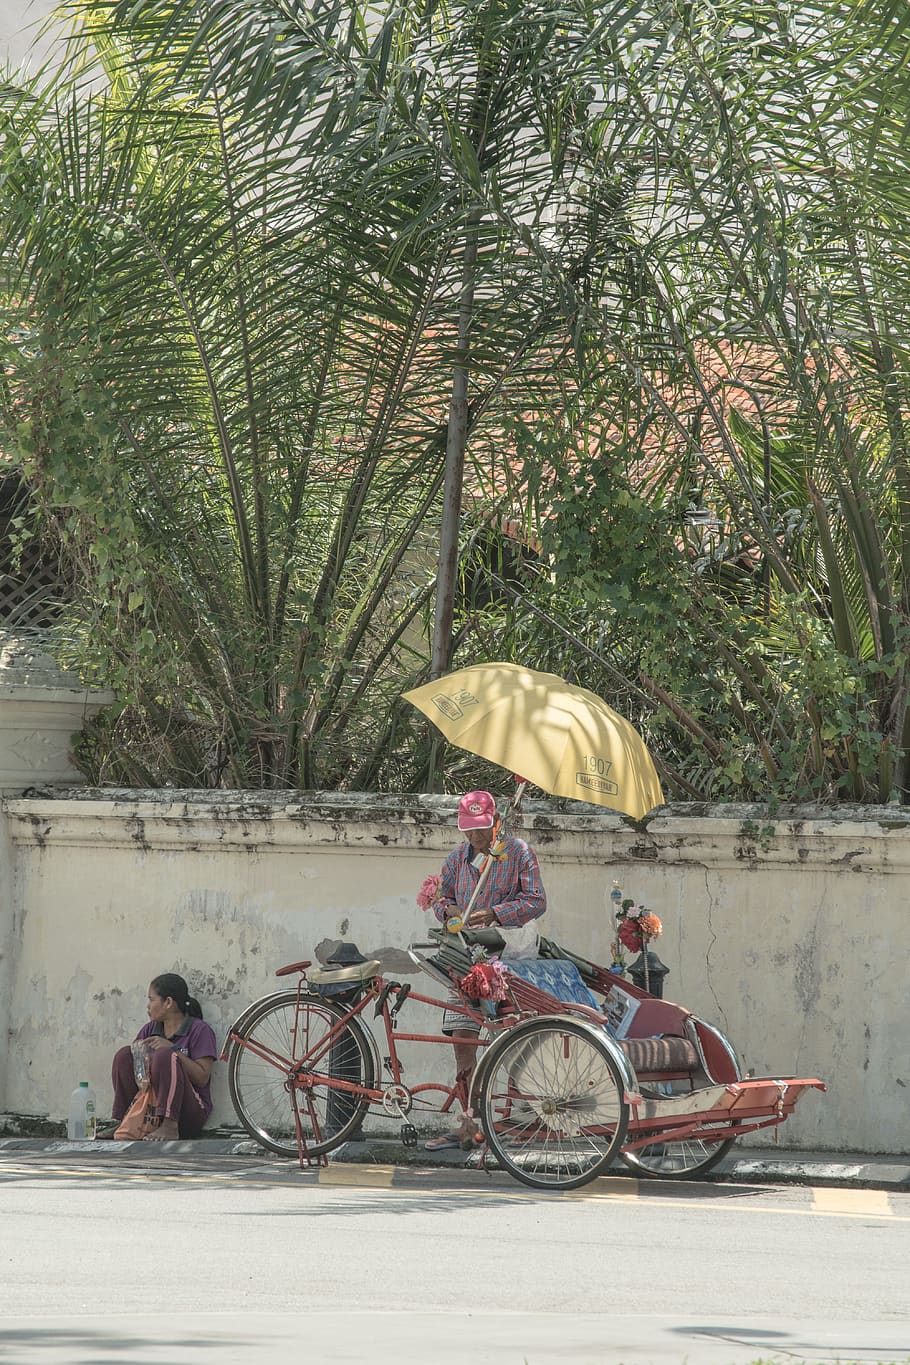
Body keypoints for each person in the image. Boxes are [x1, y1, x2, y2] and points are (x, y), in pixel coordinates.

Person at [425, 789, 547, 1151]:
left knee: (508, 1040)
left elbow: (536, 901)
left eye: (481, 829)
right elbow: (441, 899)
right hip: (465, 958)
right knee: (463, 1041)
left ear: (496, 822)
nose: (474, 837)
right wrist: (448, 911)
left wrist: (496, 913)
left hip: (510, 954)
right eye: (468, 829)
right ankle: (469, 1121)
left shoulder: (517, 852)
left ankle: (521, 1113)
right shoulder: (456, 860)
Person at [110, 973, 217, 1141]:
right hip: (150, 1111)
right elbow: (135, 1069)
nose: (148, 1006)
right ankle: (123, 1120)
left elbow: (202, 1078)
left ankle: (169, 1125)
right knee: (125, 1055)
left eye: (151, 1000)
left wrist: (173, 1051)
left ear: (168, 1002)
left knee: (165, 1055)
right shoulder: (150, 1029)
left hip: (188, 1114)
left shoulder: (199, 1030)